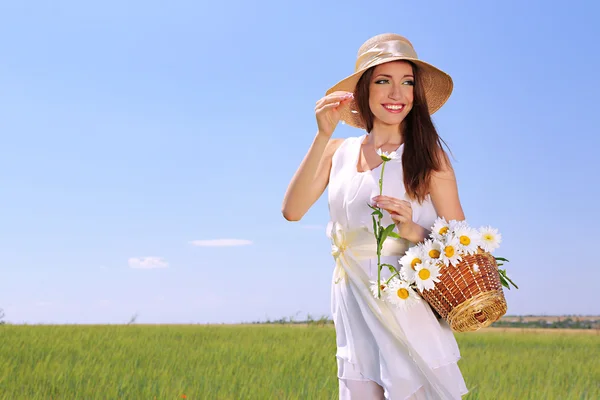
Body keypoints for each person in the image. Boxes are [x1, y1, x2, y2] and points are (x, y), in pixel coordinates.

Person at [282, 33, 469, 399]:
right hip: (351, 300)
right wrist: (322, 134)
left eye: (407, 83)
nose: (397, 94)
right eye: (384, 81)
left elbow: (462, 244)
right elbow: (292, 210)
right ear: (364, 91)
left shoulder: (429, 158)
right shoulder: (336, 151)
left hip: (406, 302)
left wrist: (413, 229)